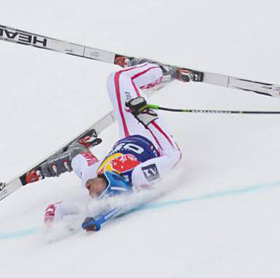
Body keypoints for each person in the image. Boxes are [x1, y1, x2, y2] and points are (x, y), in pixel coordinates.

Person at [41, 60, 191, 227]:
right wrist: (146, 116)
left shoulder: (95, 181)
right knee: (117, 79)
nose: (89, 191)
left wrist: (50, 227)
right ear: (110, 189)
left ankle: (76, 152)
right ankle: (160, 72)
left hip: (125, 138)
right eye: (94, 192)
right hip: (146, 132)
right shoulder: (139, 175)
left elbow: (56, 209)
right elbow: (173, 155)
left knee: (85, 170)